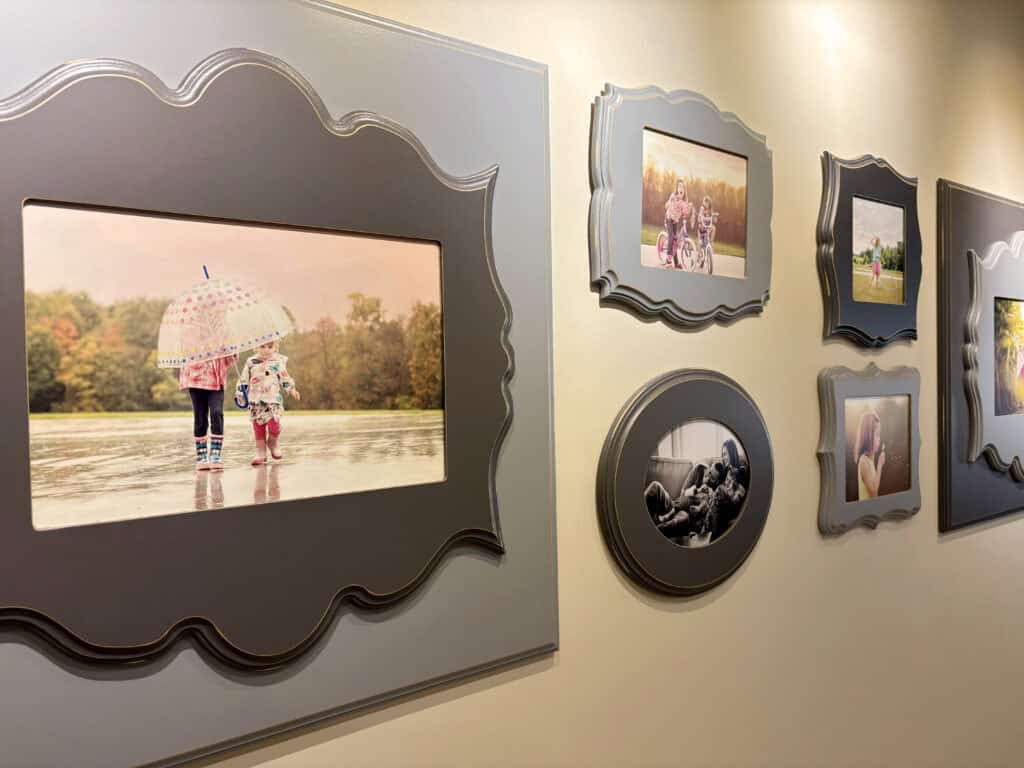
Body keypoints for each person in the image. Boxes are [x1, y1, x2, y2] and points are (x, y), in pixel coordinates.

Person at [235, 339, 301, 466]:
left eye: (270, 347)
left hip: (272, 399)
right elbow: (243, 380)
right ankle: (261, 452)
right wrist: (240, 393)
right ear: (255, 348)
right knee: (258, 427)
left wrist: (292, 389)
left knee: (274, 425)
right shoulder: (250, 362)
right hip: (256, 400)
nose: (266, 349)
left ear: (276, 348)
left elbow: (284, 377)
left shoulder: (278, 362)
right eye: (262, 346)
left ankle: (273, 441)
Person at [180, 354, 236, 471]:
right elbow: (184, 360)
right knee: (200, 417)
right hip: (196, 381)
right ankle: (202, 456)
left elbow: (230, 360)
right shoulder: (189, 339)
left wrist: (232, 351)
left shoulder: (220, 338)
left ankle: (216, 455)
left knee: (217, 412)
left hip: (216, 381)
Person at [663, 180, 695, 268]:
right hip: (669, 218)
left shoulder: (685, 200)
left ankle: (676, 263)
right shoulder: (673, 196)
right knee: (672, 236)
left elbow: (685, 212)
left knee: (675, 240)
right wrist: (670, 201)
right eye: (679, 186)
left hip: (675, 221)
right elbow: (666, 206)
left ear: (684, 190)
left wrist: (689, 207)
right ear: (677, 189)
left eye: (682, 187)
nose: (681, 188)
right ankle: (668, 260)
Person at [855, 410, 886, 500]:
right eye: (877, 435)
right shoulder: (864, 461)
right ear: (868, 436)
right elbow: (873, 493)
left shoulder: (869, 460)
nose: (879, 439)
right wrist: (880, 465)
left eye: (879, 435)